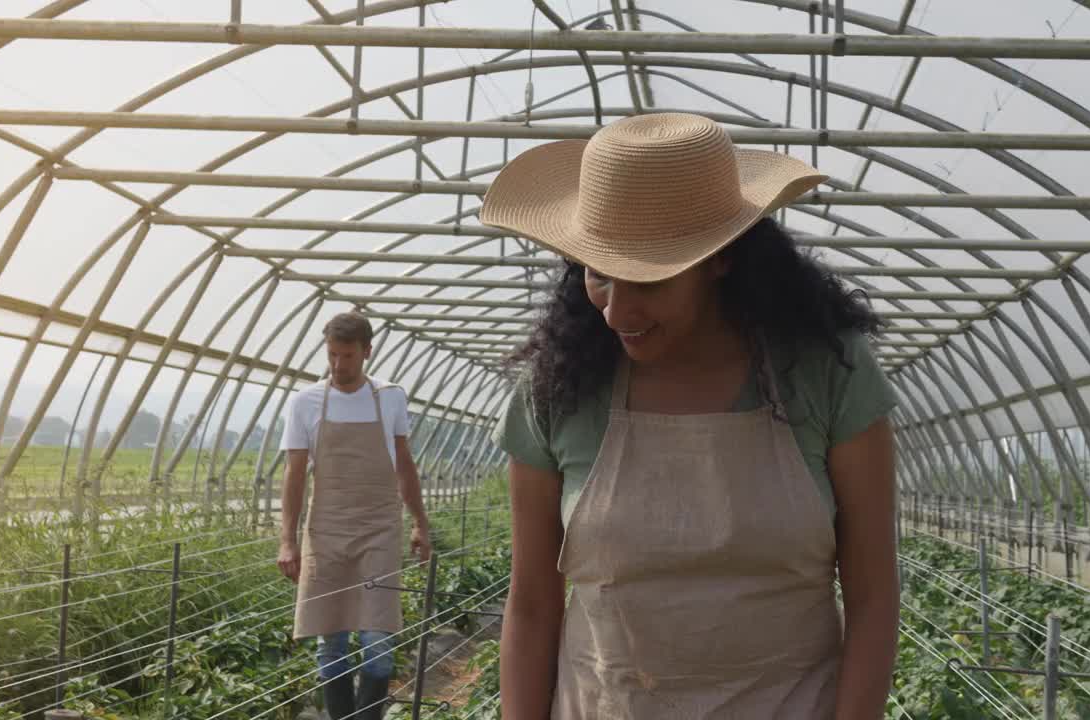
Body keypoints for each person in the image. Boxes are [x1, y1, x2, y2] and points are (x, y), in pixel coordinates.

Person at [479, 113, 900, 719]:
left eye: (647, 280)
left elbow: (873, 597)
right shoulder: (557, 391)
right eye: (599, 275)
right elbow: (531, 605)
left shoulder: (826, 373)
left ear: (722, 259)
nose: (616, 311)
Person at [276, 311, 432, 720]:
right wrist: (287, 540)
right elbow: (294, 475)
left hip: (379, 528)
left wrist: (420, 522)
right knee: (331, 641)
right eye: (331, 355)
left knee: (378, 640)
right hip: (326, 530)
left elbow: (403, 464)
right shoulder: (305, 402)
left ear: (367, 352)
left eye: (347, 356)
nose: (338, 366)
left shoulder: (390, 397)